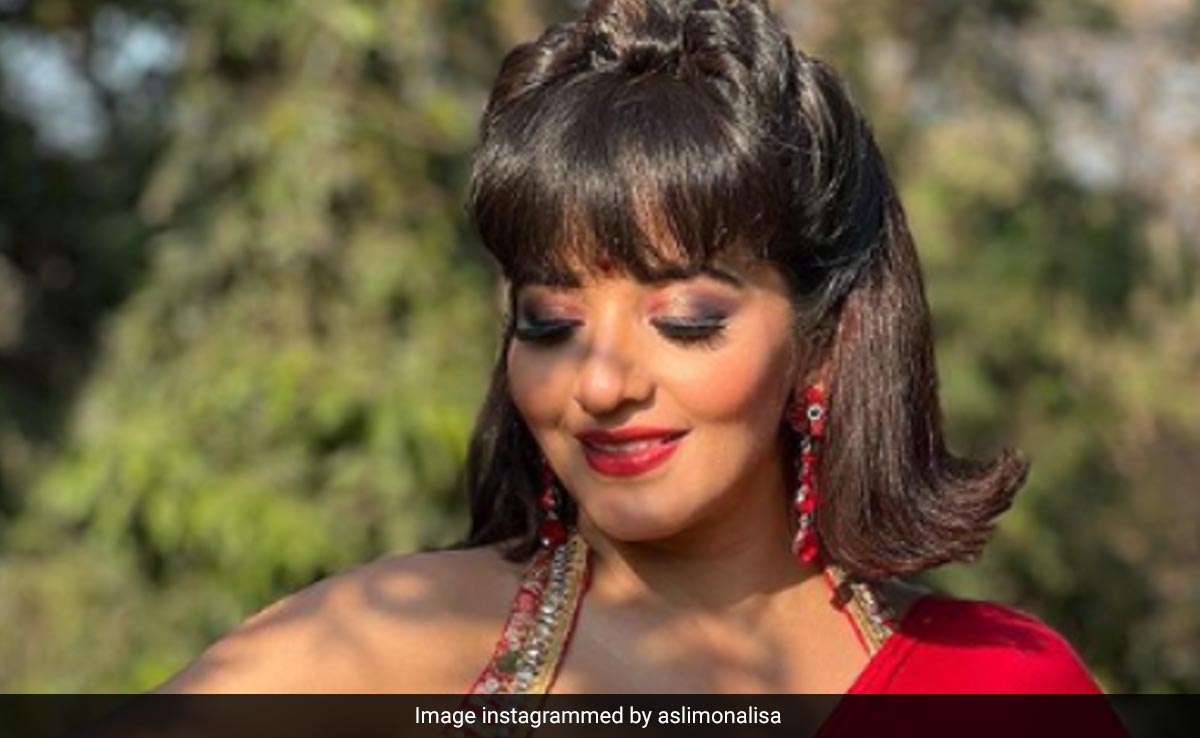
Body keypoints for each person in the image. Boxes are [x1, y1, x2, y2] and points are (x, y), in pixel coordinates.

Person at [156, 0, 1108, 696]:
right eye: (550, 322)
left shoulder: (999, 686)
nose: (601, 383)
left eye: (685, 318)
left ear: (822, 340)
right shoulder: (389, 641)